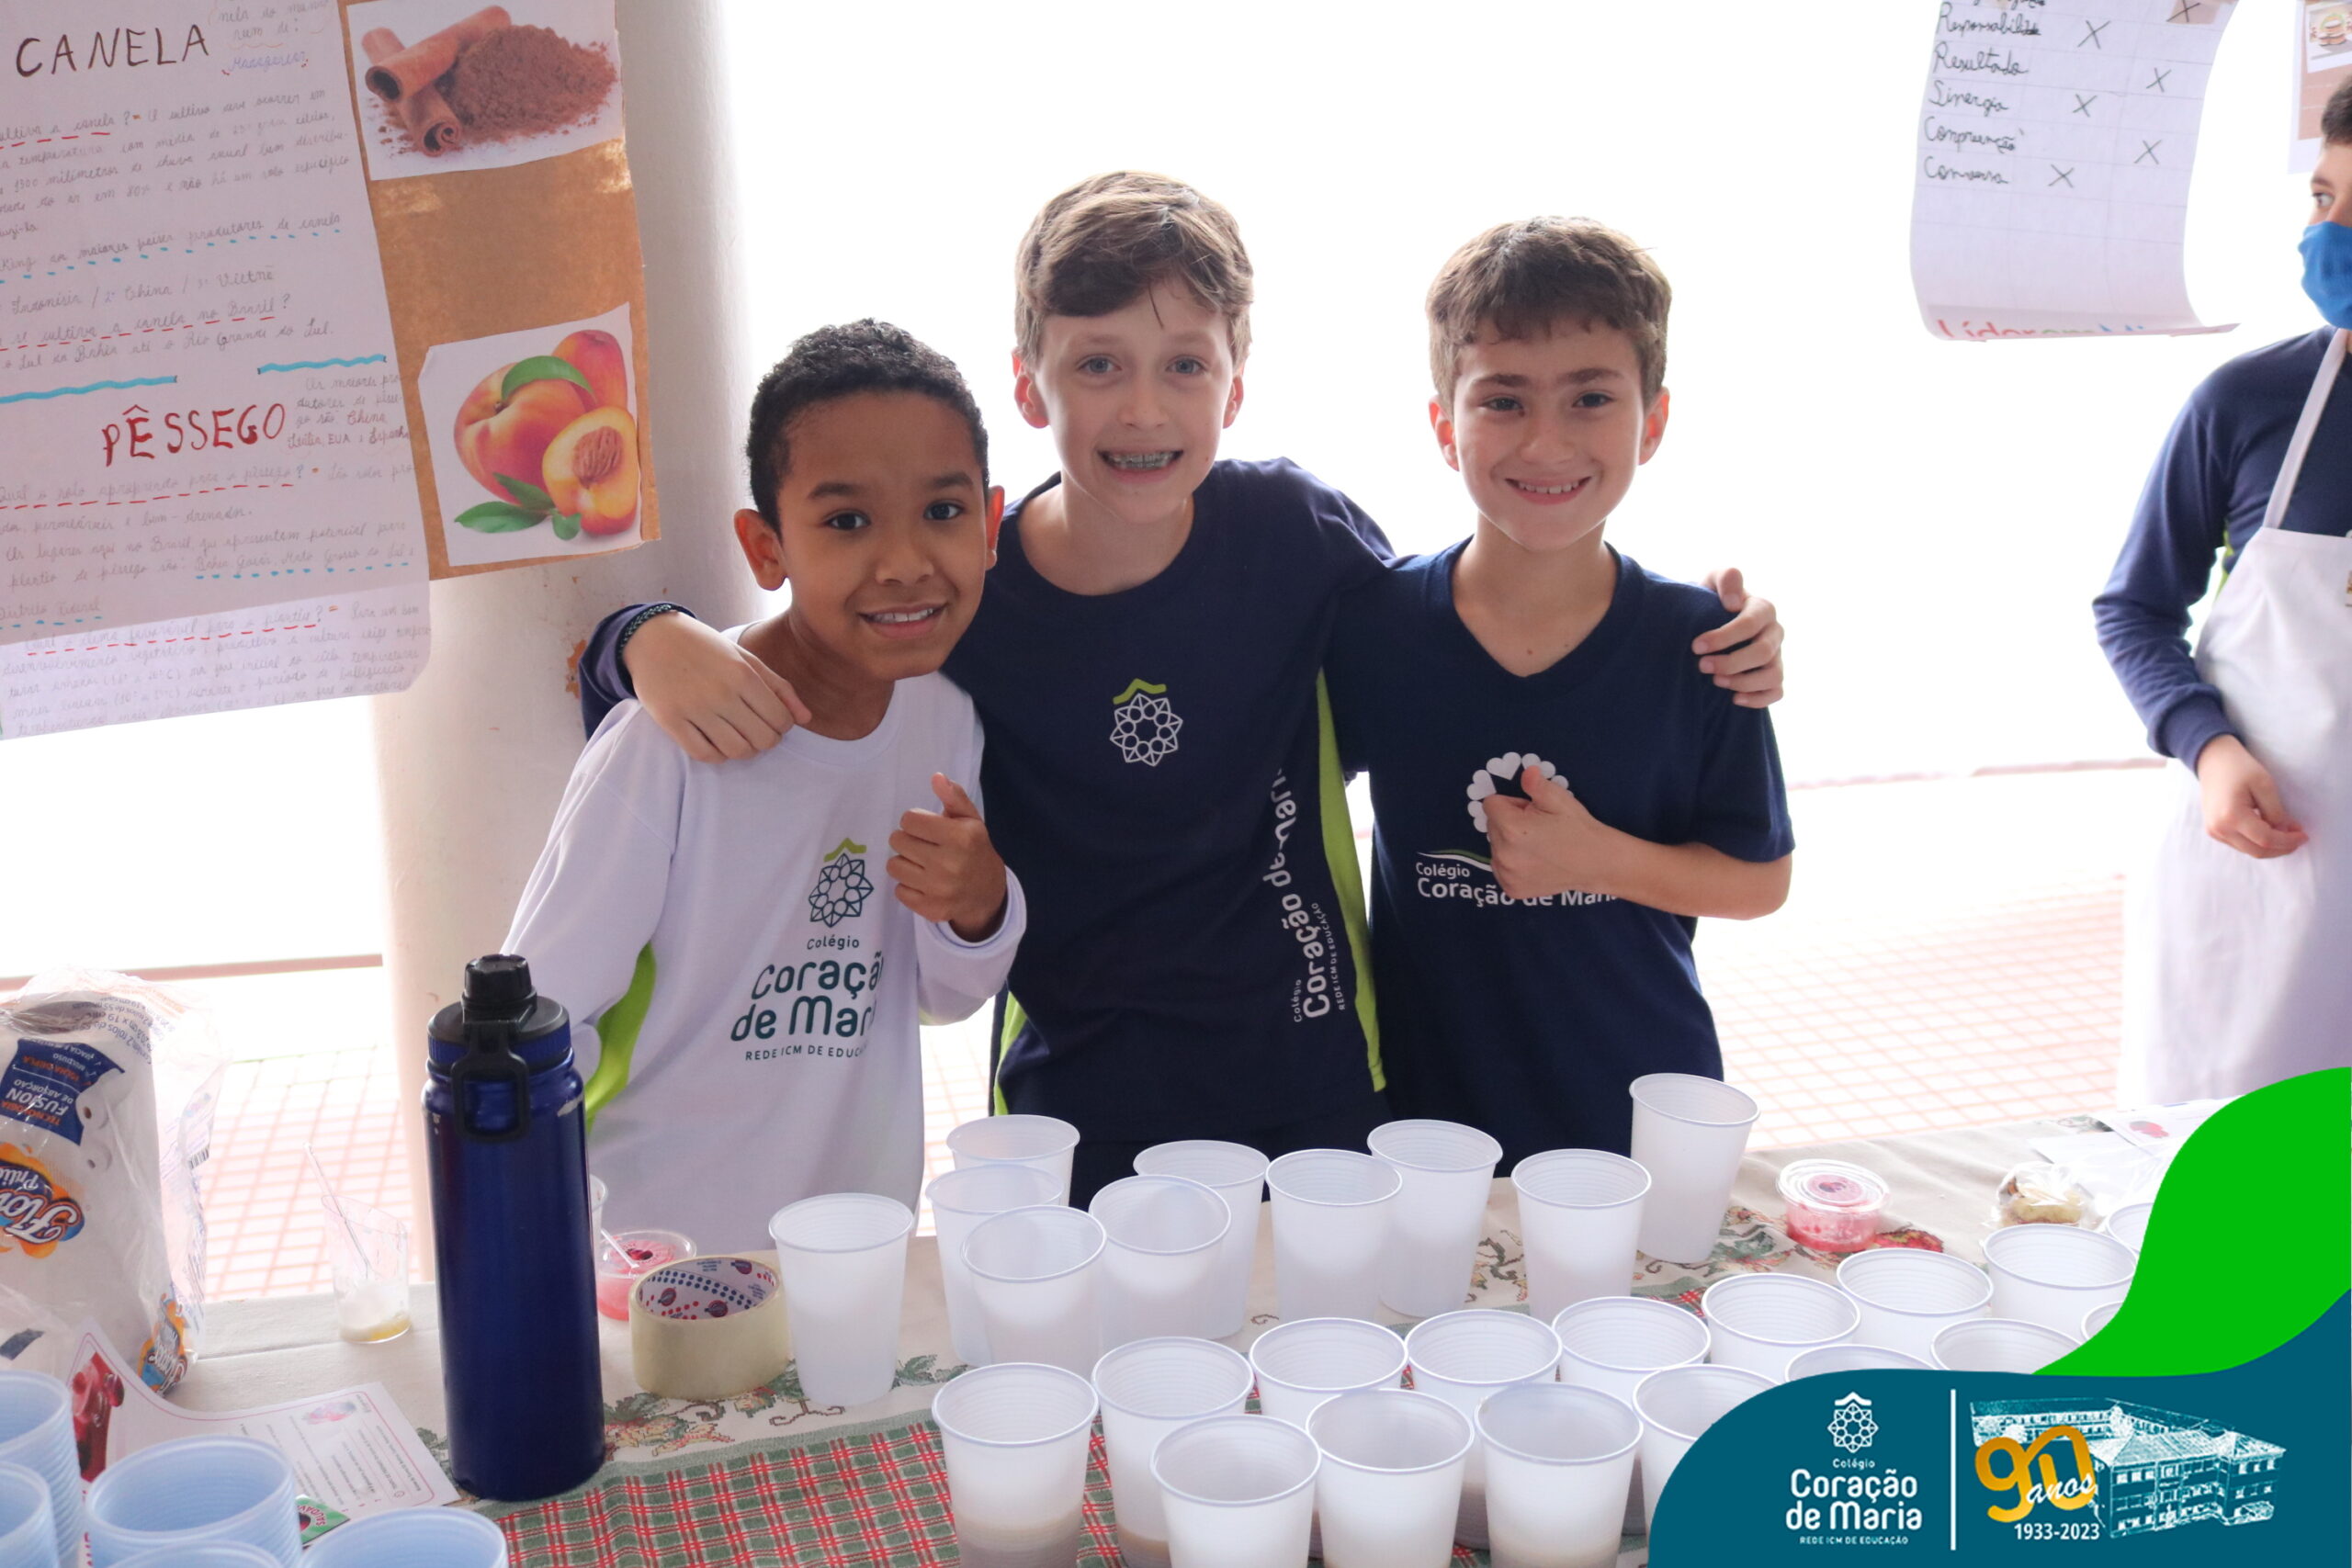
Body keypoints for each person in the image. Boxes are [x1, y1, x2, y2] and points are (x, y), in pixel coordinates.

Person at [574, 175, 1787, 1204]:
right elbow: (811, 647)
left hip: (1313, 1073)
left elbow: (1472, 637)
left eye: (1184, 364)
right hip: (1075, 1092)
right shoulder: (974, 591)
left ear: (1235, 385)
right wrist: (640, 636)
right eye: (1099, 363)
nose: (1143, 407)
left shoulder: (1295, 535)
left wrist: (1699, 634)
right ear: (1031, 385)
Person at [504, 321, 1025, 1250]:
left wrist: (980, 904)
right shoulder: (665, 745)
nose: (905, 561)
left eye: (942, 511)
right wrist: (543, 1237)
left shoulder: (947, 721)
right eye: (847, 521)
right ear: (765, 546)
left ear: (990, 526)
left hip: (853, 1244)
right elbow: (536, 1018)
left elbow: (939, 995)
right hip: (657, 1253)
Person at [1326, 219, 1792, 1167]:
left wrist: (1596, 859)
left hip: (1639, 1105)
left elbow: (1760, 879)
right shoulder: (1374, 627)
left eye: (1590, 398)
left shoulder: (1701, 642)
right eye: (1503, 400)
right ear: (1444, 427)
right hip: (1426, 1116)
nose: (1546, 441)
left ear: (1652, 422)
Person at [2096, 79, 2352, 1102]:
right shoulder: (2248, 401)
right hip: (2249, 878)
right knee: (2229, 1164)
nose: (2331, 234)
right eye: (2325, 199)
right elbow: (2135, 606)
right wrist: (2207, 745)